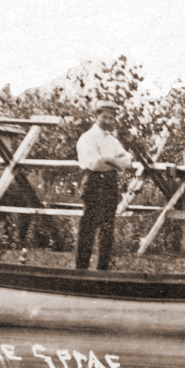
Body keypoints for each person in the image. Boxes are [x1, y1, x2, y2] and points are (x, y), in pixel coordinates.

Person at [75, 100, 138, 270]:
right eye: (104, 117)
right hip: (94, 183)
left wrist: (109, 160)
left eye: (111, 118)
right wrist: (112, 160)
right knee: (88, 228)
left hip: (110, 184)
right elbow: (94, 163)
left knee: (107, 230)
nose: (108, 121)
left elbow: (127, 161)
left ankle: (103, 271)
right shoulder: (87, 138)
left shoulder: (112, 140)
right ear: (96, 116)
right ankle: (80, 270)